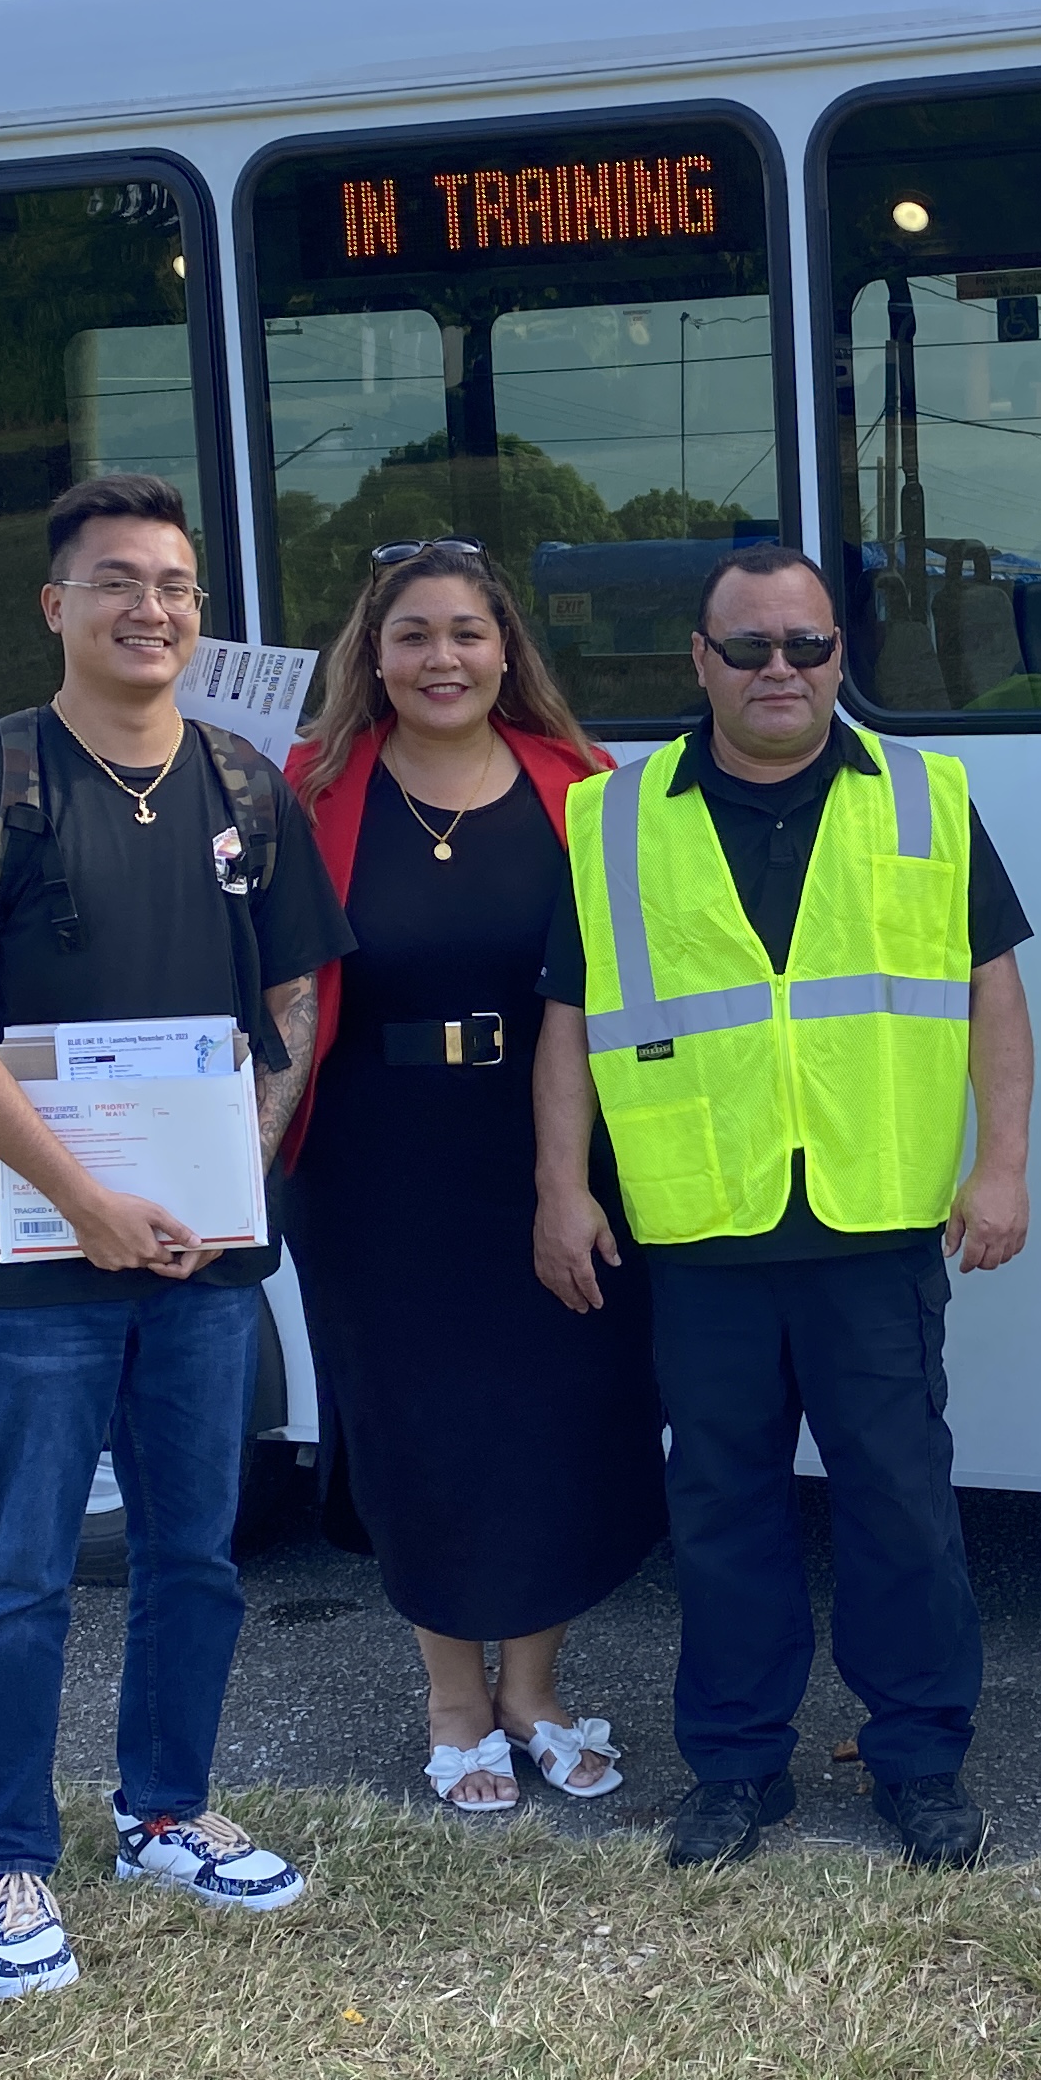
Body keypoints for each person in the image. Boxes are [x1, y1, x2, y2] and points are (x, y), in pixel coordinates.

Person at [0, 473, 352, 2000]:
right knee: (22, 1567)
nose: (150, 610)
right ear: (57, 606)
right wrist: (88, 1202)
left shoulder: (243, 785)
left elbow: (291, 999)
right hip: (35, 1265)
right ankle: (7, 1859)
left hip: (207, 1262)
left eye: (173, 586)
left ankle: (164, 1807)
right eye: (117, 584)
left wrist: (243, 1170)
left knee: (195, 1553)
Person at [532, 545, 1036, 1873]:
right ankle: (738, 1770)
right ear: (697, 659)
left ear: (837, 658)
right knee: (723, 1512)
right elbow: (570, 1019)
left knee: (901, 1506)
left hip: (873, 1223)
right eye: (747, 646)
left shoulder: (925, 799)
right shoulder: (617, 819)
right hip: (703, 1227)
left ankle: (919, 1760)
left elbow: (992, 990)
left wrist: (1004, 1165)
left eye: (805, 646)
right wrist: (559, 1186)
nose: (779, 670)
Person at [281, 539, 664, 1818]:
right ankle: (454, 1699)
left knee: (555, 1419)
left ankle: (535, 1693)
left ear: (507, 651)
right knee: (420, 1428)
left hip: (551, 1147)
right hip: (373, 1161)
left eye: (466, 633)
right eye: (413, 636)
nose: (441, 658)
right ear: (373, 657)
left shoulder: (587, 786)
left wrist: (584, 1177)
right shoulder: (310, 786)